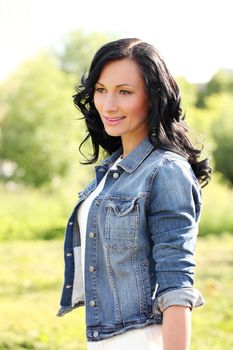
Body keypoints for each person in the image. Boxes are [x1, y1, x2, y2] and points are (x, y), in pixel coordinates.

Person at [57, 38, 211, 350]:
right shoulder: (112, 171)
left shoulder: (166, 171)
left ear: (153, 98)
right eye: (101, 90)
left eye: (124, 92)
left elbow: (177, 286)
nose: (108, 105)